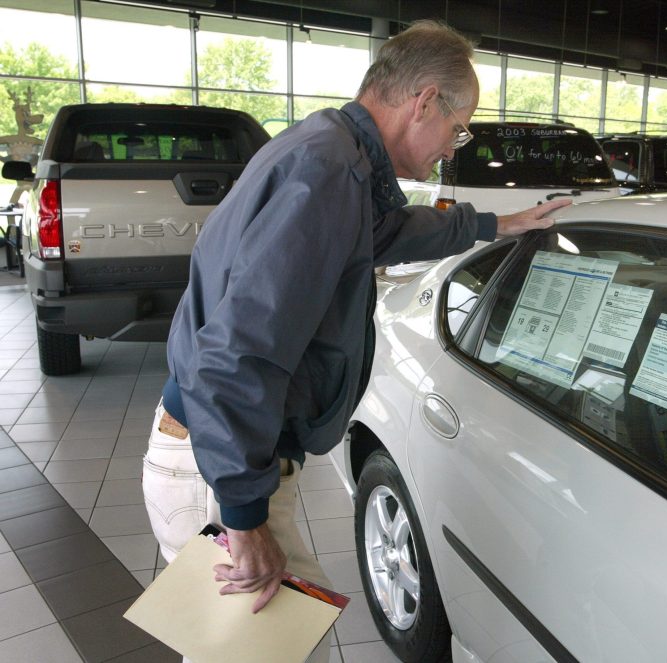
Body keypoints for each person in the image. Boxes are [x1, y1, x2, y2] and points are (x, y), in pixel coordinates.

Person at [142, 19, 569, 662]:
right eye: (458, 129)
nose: (453, 148)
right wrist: (242, 513)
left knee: (264, 645)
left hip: (213, 444)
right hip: (214, 456)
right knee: (271, 645)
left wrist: (495, 223)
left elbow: (388, 231)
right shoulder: (327, 172)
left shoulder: (334, 152)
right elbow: (238, 354)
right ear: (424, 101)